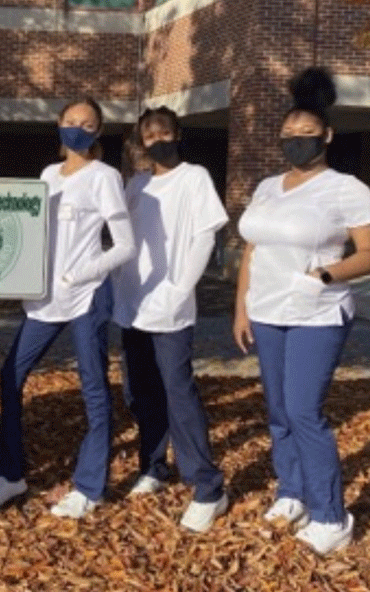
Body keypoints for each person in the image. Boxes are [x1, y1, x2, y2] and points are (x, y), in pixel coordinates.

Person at [233, 67, 370, 555]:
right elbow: (251, 251)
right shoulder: (268, 187)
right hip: (265, 310)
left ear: (328, 135)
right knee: (278, 412)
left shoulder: (347, 189)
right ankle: (292, 492)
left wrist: (323, 275)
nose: (296, 141)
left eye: (307, 134)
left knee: (303, 411)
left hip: (316, 312)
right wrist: (241, 309)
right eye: (289, 134)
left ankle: (331, 516)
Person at [0, 97, 135, 517]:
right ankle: (11, 474)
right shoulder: (48, 174)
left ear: (97, 132)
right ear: (58, 125)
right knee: (10, 375)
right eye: (70, 121)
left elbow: (125, 246)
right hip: (44, 298)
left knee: (93, 388)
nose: (77, 129)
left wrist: (77, 276)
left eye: (86, 124)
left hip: (86, 296)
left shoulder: (104, 177)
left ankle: (89, 487)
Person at [112, 106, 228, 532]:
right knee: (141, 392)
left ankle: (208, 486)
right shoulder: (137, 185)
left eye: (164, 132)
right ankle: (153, 466)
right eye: (149, 135)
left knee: (179, 391)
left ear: (177, 134)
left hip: (171, 307)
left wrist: (181, 289)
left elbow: (204, 236)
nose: (157, 139)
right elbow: (117, 233)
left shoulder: (195, 177)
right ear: (142, 143)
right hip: (133, 304)